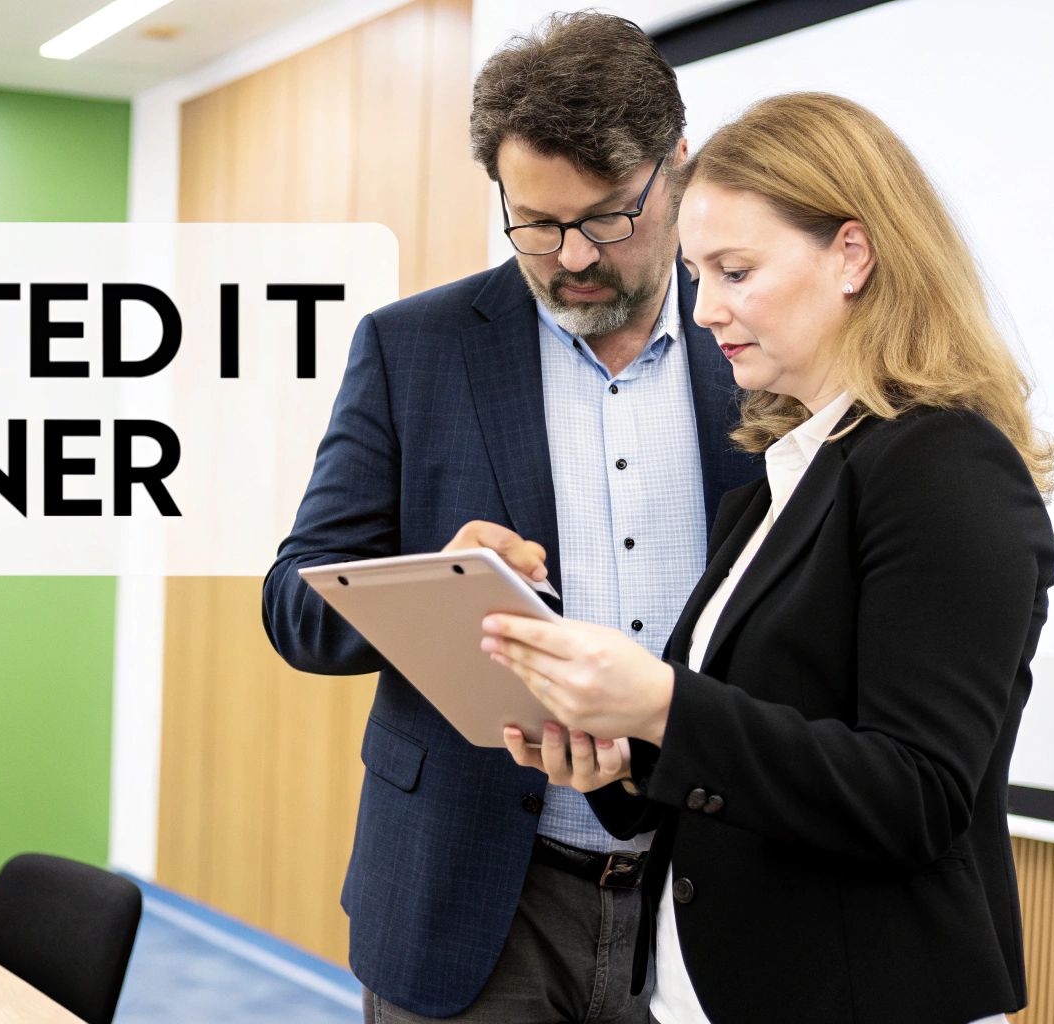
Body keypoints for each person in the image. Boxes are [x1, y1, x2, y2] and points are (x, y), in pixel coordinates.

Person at [484, 92, 1054, 1023]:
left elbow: (915, 795)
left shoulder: (944, 463)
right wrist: (619, 754)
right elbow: (759, 743)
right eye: (697, 274)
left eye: (735, 271)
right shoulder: (775, 482)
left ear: (852, 254)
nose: (705, 309)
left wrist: (661, 703)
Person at [261, 13, 760, 1023]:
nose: (570, 256)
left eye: (607, 217)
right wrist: (423, 585)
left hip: (705, 894)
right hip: (468, 898)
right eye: (533, 220)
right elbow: (294, 600)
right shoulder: (415, 348)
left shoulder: (757, 350)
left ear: (676, 168)